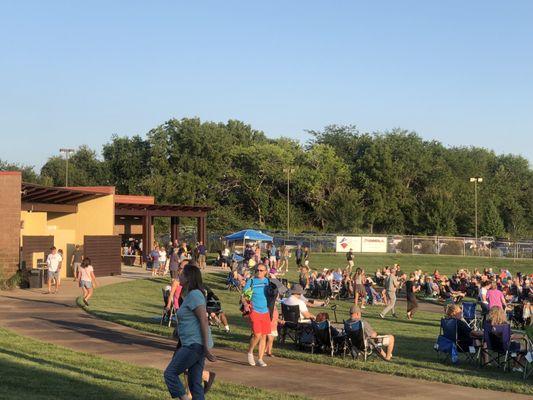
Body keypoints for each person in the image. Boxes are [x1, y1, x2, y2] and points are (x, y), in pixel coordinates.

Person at [163, 263, 216, 400]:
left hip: (195, 345)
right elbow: (189, 319)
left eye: (182, 273)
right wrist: (178, 330)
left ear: (188, 277)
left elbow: (203, 320)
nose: (179, 275)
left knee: (170, 373)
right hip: (193, 343)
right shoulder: (190, 295)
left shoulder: (195, 295)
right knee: (194, 384)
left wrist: (205, 347)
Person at [242, 263, 271, 367]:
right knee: (257, 335)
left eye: (261, 270)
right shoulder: (251, 281)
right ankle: (250, 352)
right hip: (255, 310)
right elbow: (244, 296)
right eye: (257, 270)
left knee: (263, 336)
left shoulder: (268, 281)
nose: (259, 272)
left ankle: (260, 359)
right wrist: (245, 304)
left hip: (266, 311)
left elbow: (273, 294)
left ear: (266, 272)